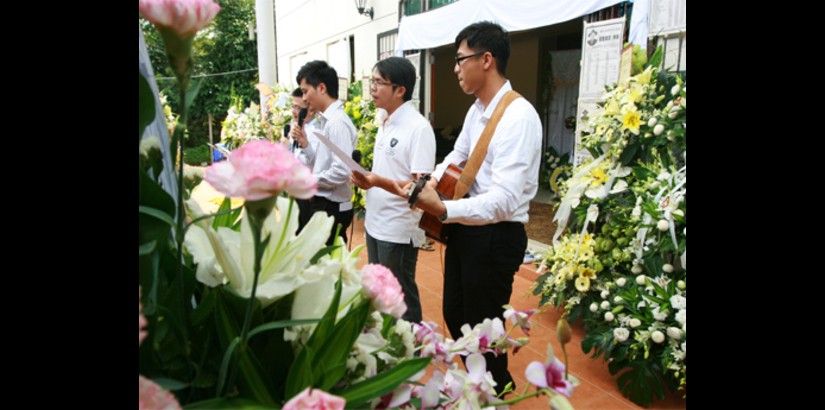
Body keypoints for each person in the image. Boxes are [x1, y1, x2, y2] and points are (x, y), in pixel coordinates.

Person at [408, 21, 542, 393]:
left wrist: (445, 209)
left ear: (486, 60)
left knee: (484, 324)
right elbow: (458, 154)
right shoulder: (477, 110)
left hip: (497, 235)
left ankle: (496, 388)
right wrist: (433, 181)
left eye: (459, 59)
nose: (454, 68)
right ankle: (481, 382)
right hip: (468, 227)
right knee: (456, 313)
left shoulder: (519, 117)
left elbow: (504, 201)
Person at [350, 57, 436, 323]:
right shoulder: (385, 120)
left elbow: (419, 190)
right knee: (380, 291)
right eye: (372, 81)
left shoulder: (418, 128)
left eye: (379, 82)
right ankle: (388, 347)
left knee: (400, 296)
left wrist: (376, 181)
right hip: (376, 222)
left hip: (397, 228)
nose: (373, 88)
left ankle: (413, 353)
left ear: (400, 89)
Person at [293, 60, 358, 245]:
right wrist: (306, 145)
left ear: (321, 87)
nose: (304, 99)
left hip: (332, 207)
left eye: (306, 91)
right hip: (325, 203)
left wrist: (308, 181)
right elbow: (324, 164)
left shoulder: (336, 123)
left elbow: (340, 171)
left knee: (328, 260)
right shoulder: (328, 121)